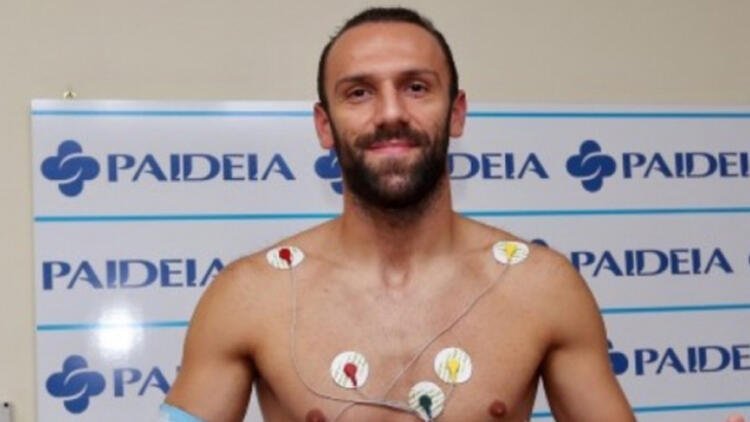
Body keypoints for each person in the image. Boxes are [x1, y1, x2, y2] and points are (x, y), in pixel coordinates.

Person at [162, 7, 636, 421]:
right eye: (359, 93)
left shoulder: (541, 287)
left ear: (456, 113)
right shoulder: (249, 296)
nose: (391, 113)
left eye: (416, 87)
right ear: (324, 126)